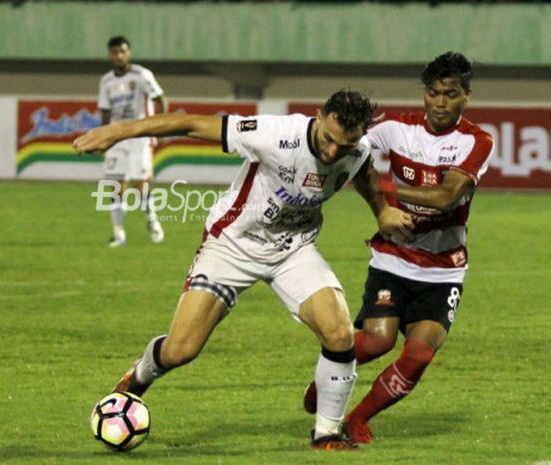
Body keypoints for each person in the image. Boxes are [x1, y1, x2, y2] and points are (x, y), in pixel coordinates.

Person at [74, 90, 415, 449]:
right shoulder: (274, 134)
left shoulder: (356, 150)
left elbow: (362, 174)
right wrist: (118, 131)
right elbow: (187, 123)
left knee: (340, 334)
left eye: (343, 146)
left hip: (293, 249)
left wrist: (381, 210)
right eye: (328, 139)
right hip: (232, 245)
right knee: (180, 350)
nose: (332, 152)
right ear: (319, 116)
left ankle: (326, 433)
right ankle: (139, 375)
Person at [302, 52, 494, 444]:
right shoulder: (396, 129)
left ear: (467, 96)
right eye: (433, 93)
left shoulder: (478, 141)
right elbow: (350, 150)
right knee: (377, 341)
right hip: (394, 258)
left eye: (451, 94)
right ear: (424, 93)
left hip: (444, 269)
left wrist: (383, 191)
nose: (440, 103)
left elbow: (444, 197)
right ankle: (323, 381)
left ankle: (357, 417)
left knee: (419, 355)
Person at [98, 35, 167, 247]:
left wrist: (159, 125)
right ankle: (119, 235)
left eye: (122, 51)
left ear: (129, 53)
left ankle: (151, 218)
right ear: (110, 55)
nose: (118, 56)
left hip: (139, 135)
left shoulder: (142, 75)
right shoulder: (106, 81)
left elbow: (159, 99)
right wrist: (104, 138)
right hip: (117, 137)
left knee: (138, 186)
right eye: (114, 52)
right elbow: (105, 111)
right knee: (116, 185)